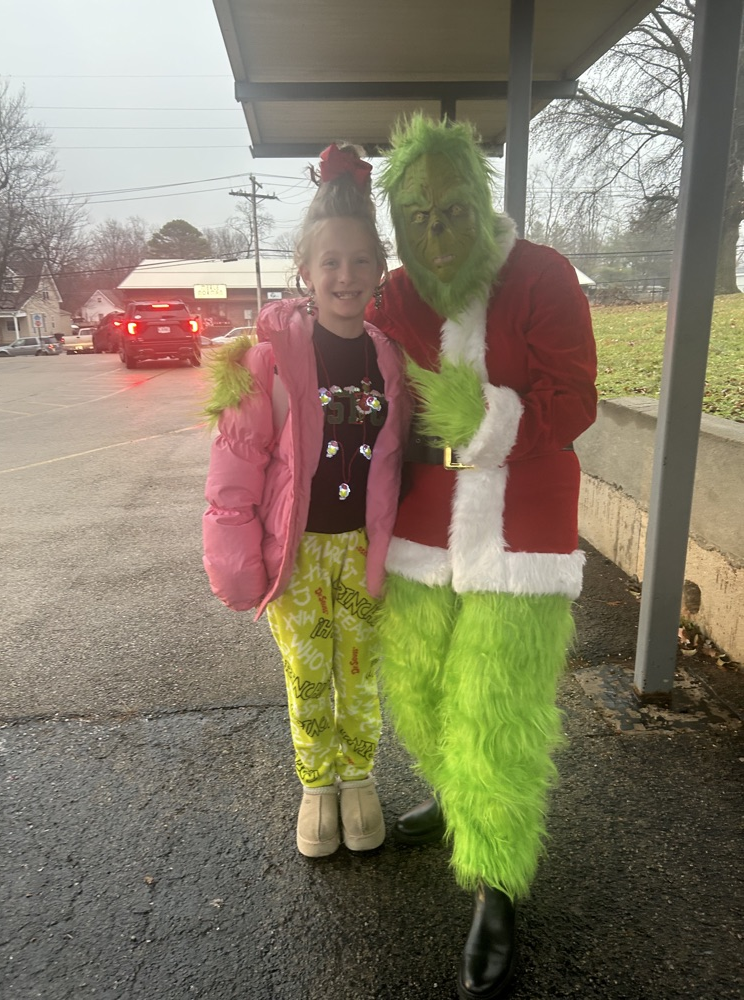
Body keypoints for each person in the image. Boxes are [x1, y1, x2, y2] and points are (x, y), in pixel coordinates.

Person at [369, 115, 597, 999]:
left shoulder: (542, 275)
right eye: (416, 217)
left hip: (519, 534)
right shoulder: (394, 294)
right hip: (421, 531)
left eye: (452, 210)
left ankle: (495, 881)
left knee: (492, 711)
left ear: (480, 197)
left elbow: (574, 398)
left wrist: (489, 419)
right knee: (420, 691)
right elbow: (349, 366)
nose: (436, 232)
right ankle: (451, 794)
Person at [202, 143, 408, 859]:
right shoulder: (269, 361)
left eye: (360, 261)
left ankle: (359, 778)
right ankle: (318, 785)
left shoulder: (389, 360)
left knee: (361, 674)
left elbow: (398, 462)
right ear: (306, 271)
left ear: (378, 271)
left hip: (363, 552)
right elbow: (234, 473)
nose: (346, 276)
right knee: (308, 674)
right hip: (297, 557)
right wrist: (239, 565)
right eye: (331, 262)